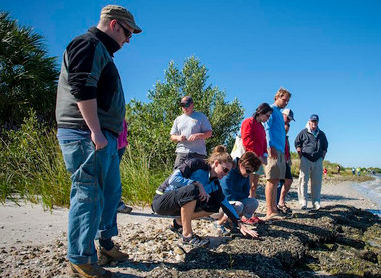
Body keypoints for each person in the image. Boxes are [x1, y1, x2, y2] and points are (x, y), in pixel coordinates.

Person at [55, 5, 141, 277]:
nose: (129, 40)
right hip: (86, 134)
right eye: (128, 33)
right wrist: (95, 131)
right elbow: (82, 87)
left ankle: (104, 245)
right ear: (114, 25)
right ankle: (81, 258)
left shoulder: (103, 51)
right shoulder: (88, 44)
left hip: (104, 137)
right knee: (89, 194)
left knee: (110, 194)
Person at [152, 145, 258, 248]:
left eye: (228, 172)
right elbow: (173, 180)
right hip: (162, 201)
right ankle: (187, 235)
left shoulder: (215, 184)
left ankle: (178, 222)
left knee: (214, 204)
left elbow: (225, 203)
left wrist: (239, 224)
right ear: (216, 163)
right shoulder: (196, 164)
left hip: (178, 205)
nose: (226, 174)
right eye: (225, 170)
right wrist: (197, 184)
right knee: (193, 189)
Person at [263, 87, 291, 219]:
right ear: (278, 97)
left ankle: (274, 209)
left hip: (280, 149)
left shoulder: (280, 113)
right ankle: (269, 211)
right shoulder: (271, 110)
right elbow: (267, 128)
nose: (286, 103)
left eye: (288, 101)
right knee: (271, 179)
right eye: (284, 100)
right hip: (272, 148)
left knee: (276, 181)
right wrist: (270, 146)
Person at [218, 151, 264, 226]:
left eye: (252, 172)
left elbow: (246, 192)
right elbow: (226, 193)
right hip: (219, 205)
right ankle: (221, 222)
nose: (249, 174)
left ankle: (234, 220)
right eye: (248, 171)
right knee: (239, 205)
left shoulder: (245, 173)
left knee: (253, 202)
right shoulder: (230, 169)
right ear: (241, 164)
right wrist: (239, 197)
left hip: (234, 202)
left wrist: (238, 196)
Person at [295, 114, 328, 210]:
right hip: (305, 158)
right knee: (303, 181)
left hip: (317, 160)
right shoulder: (303, 132)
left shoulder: (321, 134)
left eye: (316, 121)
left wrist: (322, 157)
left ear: (317, 122)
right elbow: (297, 144)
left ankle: (316, 202)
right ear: (309, 121)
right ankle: (303, 202)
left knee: (317, 182)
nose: (314, 123)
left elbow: (325, 147)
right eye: (312, 121)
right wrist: (301, 156)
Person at [240, 103, 273, 199]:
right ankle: (245, 209)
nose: (268, 118)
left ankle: (251, 209)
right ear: (261, 113)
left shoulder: (261, 127)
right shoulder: (248, 122)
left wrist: (265, 155)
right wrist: (258, 155)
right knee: (247, 185)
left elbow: (263, 142)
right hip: (250, 158)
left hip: (258, 159)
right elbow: (247, 140)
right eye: (267, 115)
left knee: (254, 186)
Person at [170, 96, 212, 168]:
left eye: (187, 105)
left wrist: (198, 135)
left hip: (198, 153)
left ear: (192, 104)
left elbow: (209, 133)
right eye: (182, 105)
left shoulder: (201, 117)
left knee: (197, 176)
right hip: (182, 152)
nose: (185, 107)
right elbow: (172, 136)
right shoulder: (178, 119)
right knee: (177, 176)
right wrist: (178, 137)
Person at [276, 108, 295, 214]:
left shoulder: (285, 135)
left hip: (285, 159)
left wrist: (288, 159)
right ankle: (276, 204)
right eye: (287, 119)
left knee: (287, 180)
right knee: (279, 182)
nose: (288, 122)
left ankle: (280, 202)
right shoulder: (277, 126)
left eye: (289, 122)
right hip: (278, 157)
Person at [117, 120, 132, 213]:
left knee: (114, 174)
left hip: (120, 143)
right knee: (108, 174)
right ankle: (115, 204)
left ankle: (116, 203)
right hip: (111, 141)